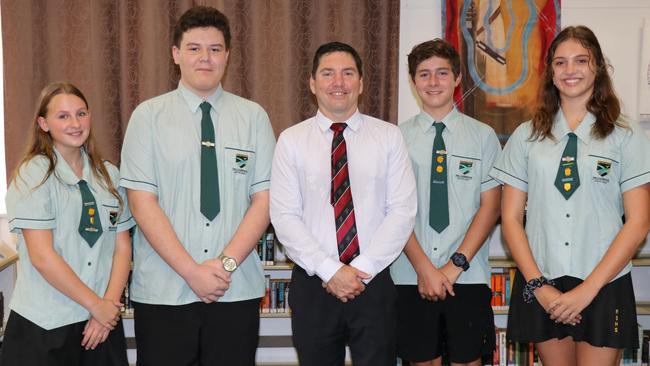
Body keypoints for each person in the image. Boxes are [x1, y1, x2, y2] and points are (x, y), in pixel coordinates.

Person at [119, 6, 275, 366]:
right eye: (194, 48)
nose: (205, 58)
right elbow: (142, 203)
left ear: (227, 55)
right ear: (176, 54)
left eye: (215, 49)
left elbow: (263, 201)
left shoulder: (253, 117)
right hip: (163, 292)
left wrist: (225, 265)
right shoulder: (148, 117)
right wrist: (192, 272)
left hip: (234, 290)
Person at [490, 25, 650, 366]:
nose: (570, 70)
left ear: (598, 67)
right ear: (550, 71)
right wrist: (540, 288)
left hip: (604, 282)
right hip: (544, 280)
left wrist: (588, 290)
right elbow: (511, 220)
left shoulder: (626, 135)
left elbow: (638, 223)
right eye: (560, 63)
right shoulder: (526, 136)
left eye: (581, 60)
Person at [270, 41, 417, 366]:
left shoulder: (389, 137)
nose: (339, 82)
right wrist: (331, 271)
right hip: (314, 283)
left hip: (374, 283)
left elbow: (402, 211)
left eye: (348, 73)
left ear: (361, 83)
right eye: (328, 73)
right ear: (312, 83)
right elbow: (284, 216)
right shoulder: (291, 141)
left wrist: (359, 271)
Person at [0, 82, 133, 366]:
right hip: (45, 324)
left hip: (100, 326)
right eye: (63, 116)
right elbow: (43, 257)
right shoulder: (32, 175)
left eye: (81, 113)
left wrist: (107, 309)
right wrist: (96, 305)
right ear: (43, 123)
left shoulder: (109, 175)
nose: (75, 123)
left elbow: (122, 247)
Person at [390, 39, 501, 366]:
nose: (433, 82)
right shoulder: (395, 139)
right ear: (413, 82)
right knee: (422, 360)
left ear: (456, 79)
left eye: (442, 73)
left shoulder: (483, 137)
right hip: (410, 275)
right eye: (424, 74)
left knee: (469, 360)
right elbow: (393, 211)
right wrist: (425, 269)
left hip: (467, 276)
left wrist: (454, 267)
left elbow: (491, 206)